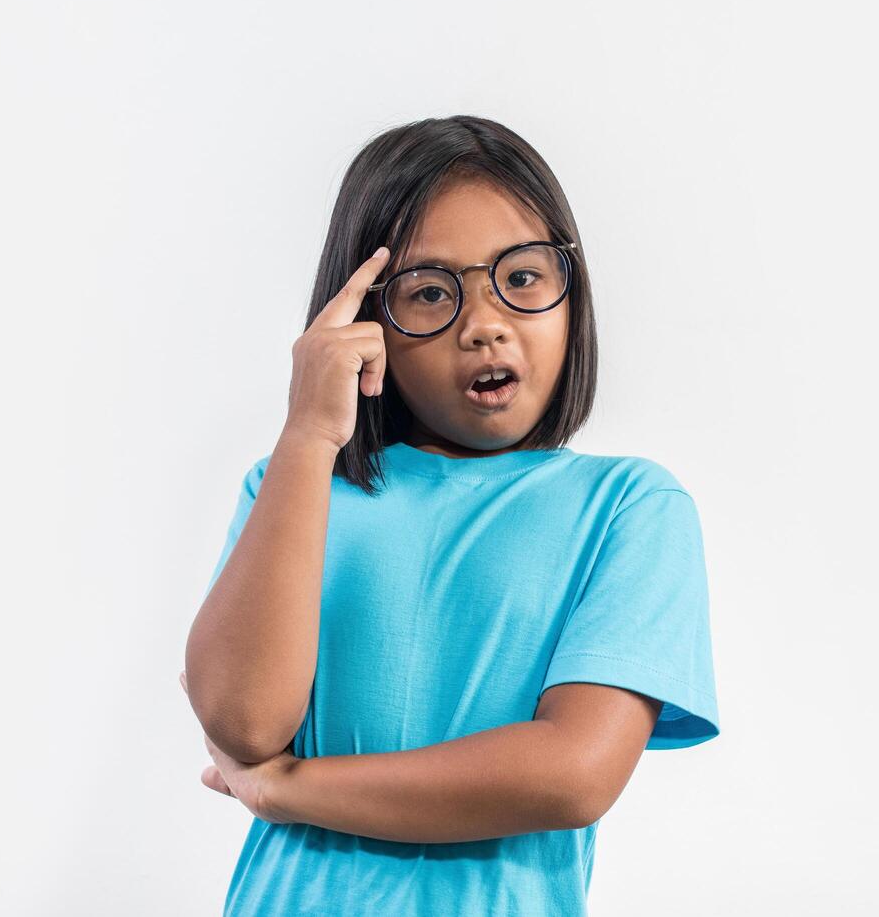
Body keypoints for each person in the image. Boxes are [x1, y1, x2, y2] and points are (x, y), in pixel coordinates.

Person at [182, 115, 719, 916]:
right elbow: (241, 722)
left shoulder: (627, 507)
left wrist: (289, 790)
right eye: (430, 293)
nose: (484, 324)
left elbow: (570, 774)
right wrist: (307, 435)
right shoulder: (294, 489)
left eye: (523, 277)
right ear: (364, 321)